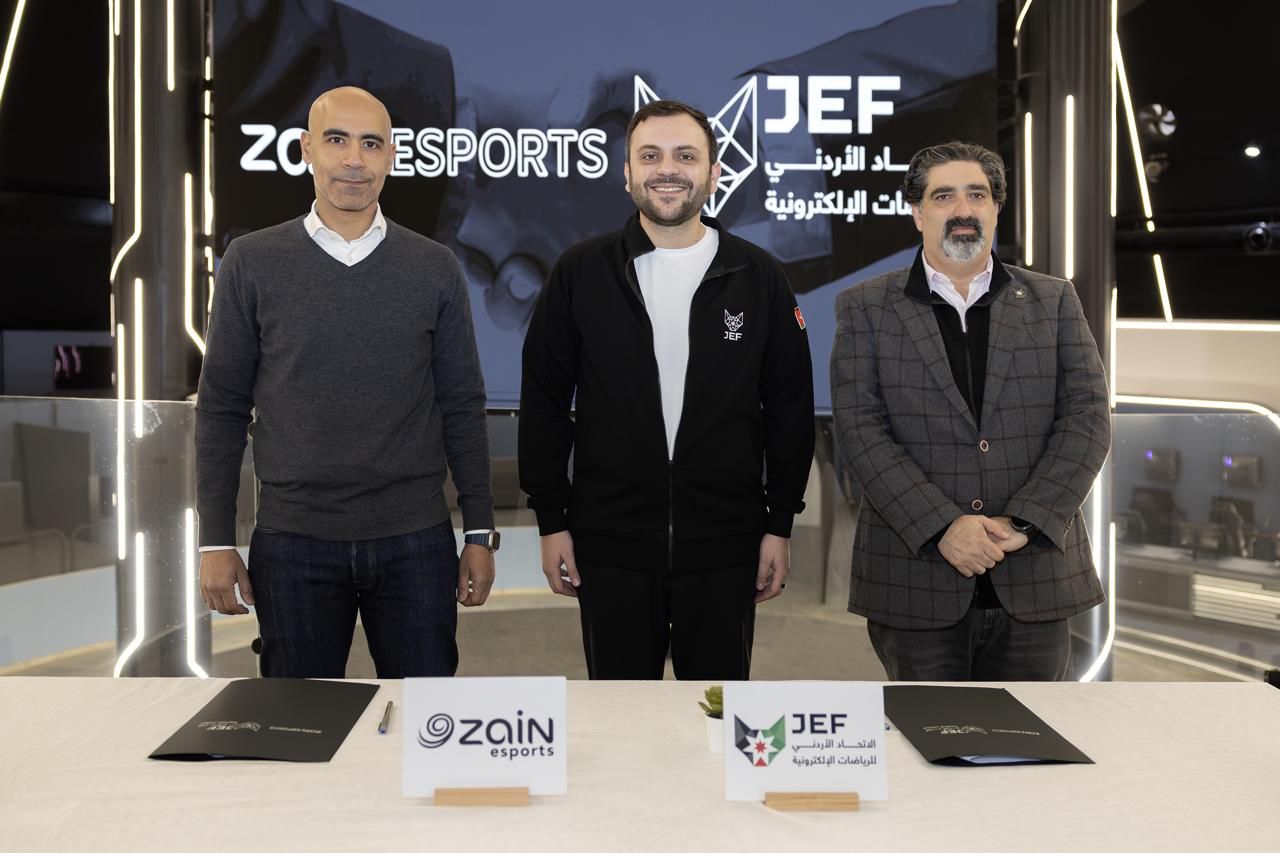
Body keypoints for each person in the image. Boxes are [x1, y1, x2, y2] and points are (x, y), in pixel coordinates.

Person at [195, 86, 498, 678]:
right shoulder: (251, 262)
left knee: (425, 718)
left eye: (371, 144)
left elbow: (462, 404)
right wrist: (215, 540)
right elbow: (222, 407)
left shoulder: (435, 267)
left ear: (391, 157)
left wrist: (480, 532)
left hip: (416, 539)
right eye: (337, 140)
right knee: (298, 721)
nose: (354, 159)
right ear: (307, 149)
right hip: (292, 541)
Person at [519, 100, 815, 680]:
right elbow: (545, 402)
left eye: (685, 155)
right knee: (621, 717)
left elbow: (789, 407)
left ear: (714, 172)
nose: (667, 169)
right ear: (627, 173)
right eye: (650, 156)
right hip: (610, 546)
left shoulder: (759, 276)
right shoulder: (582, 271)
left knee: (717, 716)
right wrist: (551, 520)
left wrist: (779, 523)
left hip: (727, 547)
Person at [830, 141, 1110, 681]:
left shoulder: (1054, 300)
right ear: (918, 213)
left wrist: (1025, 520)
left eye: (977, 195)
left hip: (1034, 577)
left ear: (996, 208)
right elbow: (861, 430)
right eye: (944, 196)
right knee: (928, 734)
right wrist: (942, 527)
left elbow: (1088, 418)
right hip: (916, 581)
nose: (963, 209)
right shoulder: (865, 307)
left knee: (1029, 735)